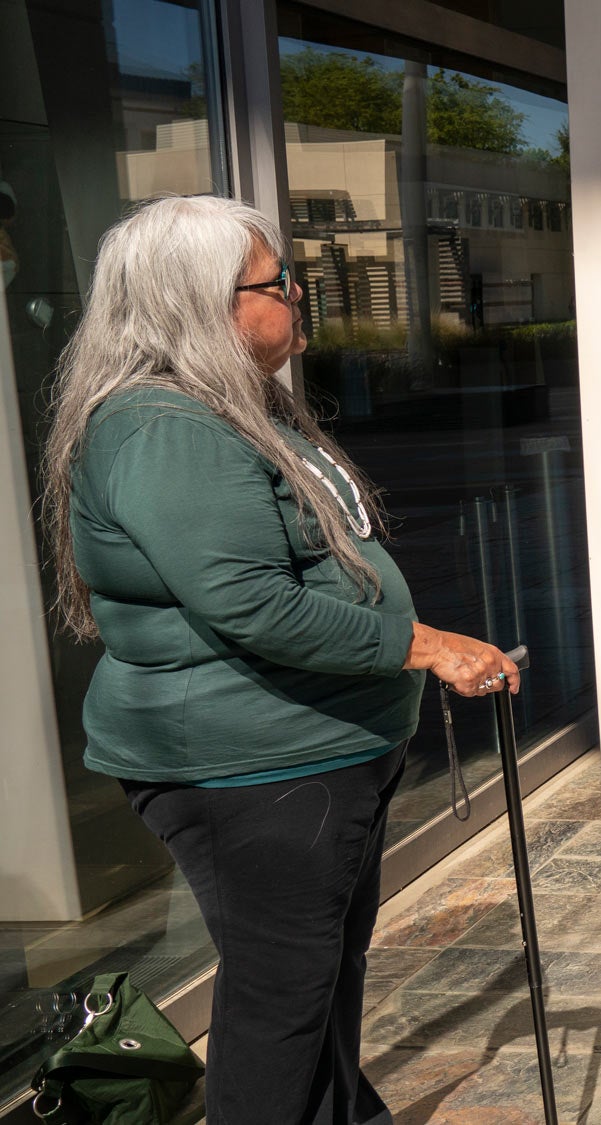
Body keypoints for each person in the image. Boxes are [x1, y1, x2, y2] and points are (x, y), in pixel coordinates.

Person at [40, 195, 518, 1125]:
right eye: (279, 282)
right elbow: (249, 603)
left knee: (316, 983)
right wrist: (429, 648)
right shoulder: (164, 426)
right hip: (257, 770)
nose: (299, 296)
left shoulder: (228, 407)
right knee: (281, 1003)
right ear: (204, 303)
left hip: (315, 753)